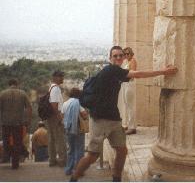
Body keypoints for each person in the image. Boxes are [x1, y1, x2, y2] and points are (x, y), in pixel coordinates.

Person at [70, 46, 178, 182]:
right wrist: (163, 71)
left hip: (114, 118)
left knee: (122, 151)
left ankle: (116, 178)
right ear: (110, 58)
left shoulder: (116, 72)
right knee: (92, 156)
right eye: (115, 56)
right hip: (100, 119)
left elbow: (132, 75)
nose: (119, 58)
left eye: (121, 55)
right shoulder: (111, 70)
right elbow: (137, 74)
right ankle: (74, 178)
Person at [0, 79, 32, 169]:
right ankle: (15, 163)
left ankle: (9, 155)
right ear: (17, 84)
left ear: (9, 84)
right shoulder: (22, 93)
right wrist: (28, 121)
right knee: (17, 143)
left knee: (6, 143)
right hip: (18, 123)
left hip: (5, 123)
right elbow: (29, 108)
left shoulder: (2, 94)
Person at [62, 88, 88, 176]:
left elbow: (62, 115)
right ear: (78, 95)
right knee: (79, 150)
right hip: (78, 129)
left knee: (70, 150)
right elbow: (84, 114)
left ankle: (68, 169)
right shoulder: (77, 103)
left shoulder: (65, 103)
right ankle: (78, 170)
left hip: (68, 129)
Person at [46, 70, 67, 167]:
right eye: (60, 76)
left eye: (62, 76)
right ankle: (62, 161)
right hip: (55, 116)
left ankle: (52, 160)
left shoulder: (52, 87)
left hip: (50, 116)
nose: (62, 78)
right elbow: (54, 104)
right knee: (60, 139)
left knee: (52, 139)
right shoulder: (55, 89)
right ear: (55, 77)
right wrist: (59, 117)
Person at [119, 47, 138, 135]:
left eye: (128, 53)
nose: (126, 55)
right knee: (126, 105)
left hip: (129, 84)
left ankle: (132, 127)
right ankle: (126, 124)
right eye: (125, 54)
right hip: (125, 84)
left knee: (130, 106)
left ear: (131, 53)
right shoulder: (126, 62)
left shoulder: (133, 61)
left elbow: (132, 74)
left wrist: (123, 77)